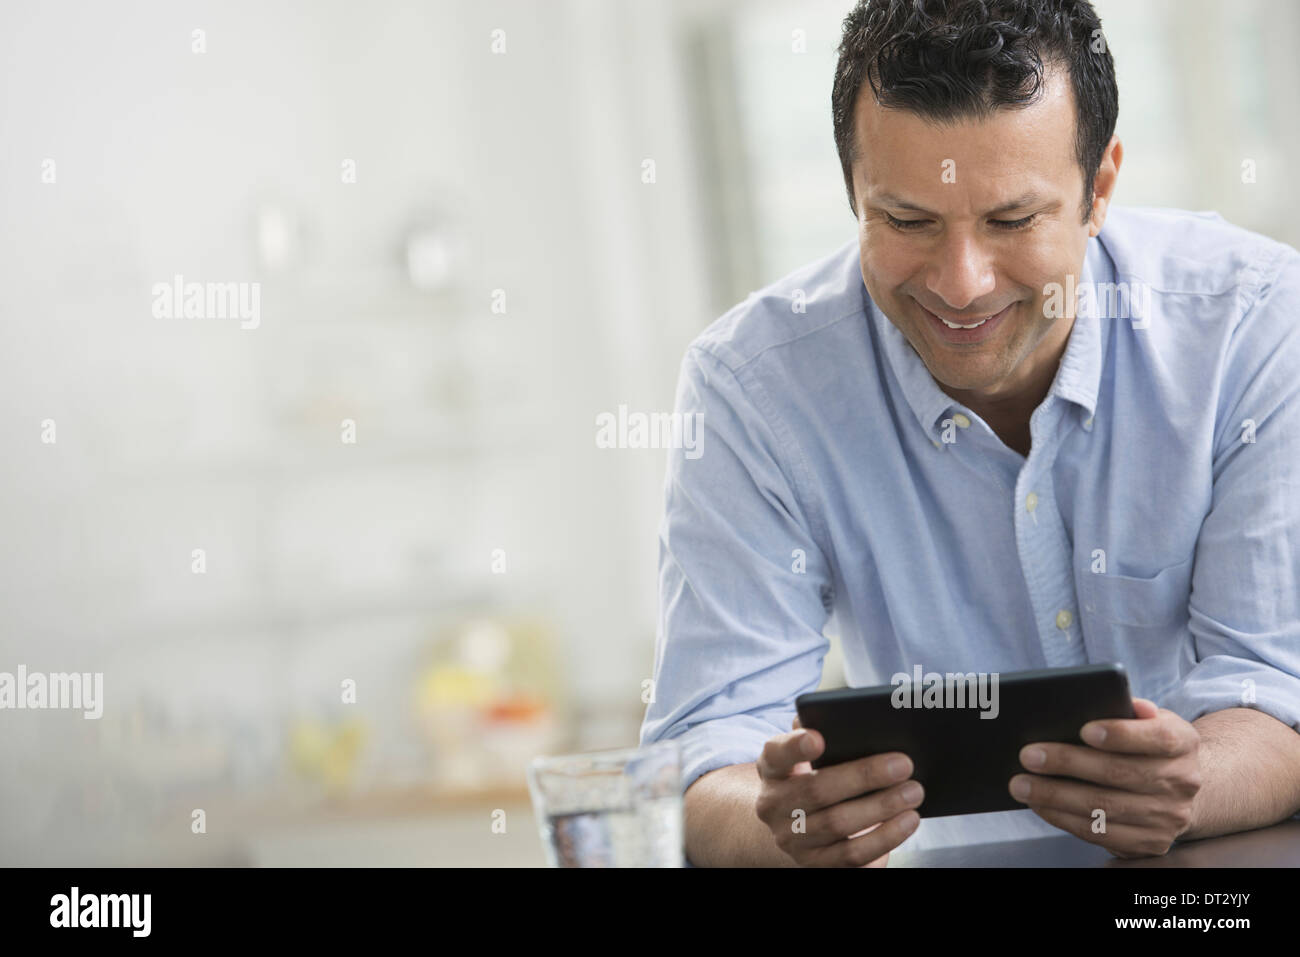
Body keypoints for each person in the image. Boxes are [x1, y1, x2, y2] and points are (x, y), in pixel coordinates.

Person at [640, 0, 1300, 867]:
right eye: (907, 222)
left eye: (1012, 220)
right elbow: (706, 741)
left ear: (1099, 189)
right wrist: (777, 820)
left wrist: (1195, 779)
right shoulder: (752, 387)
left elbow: (1277, 685)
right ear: (852, 193)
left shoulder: (1253, 324)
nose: (961, 284)